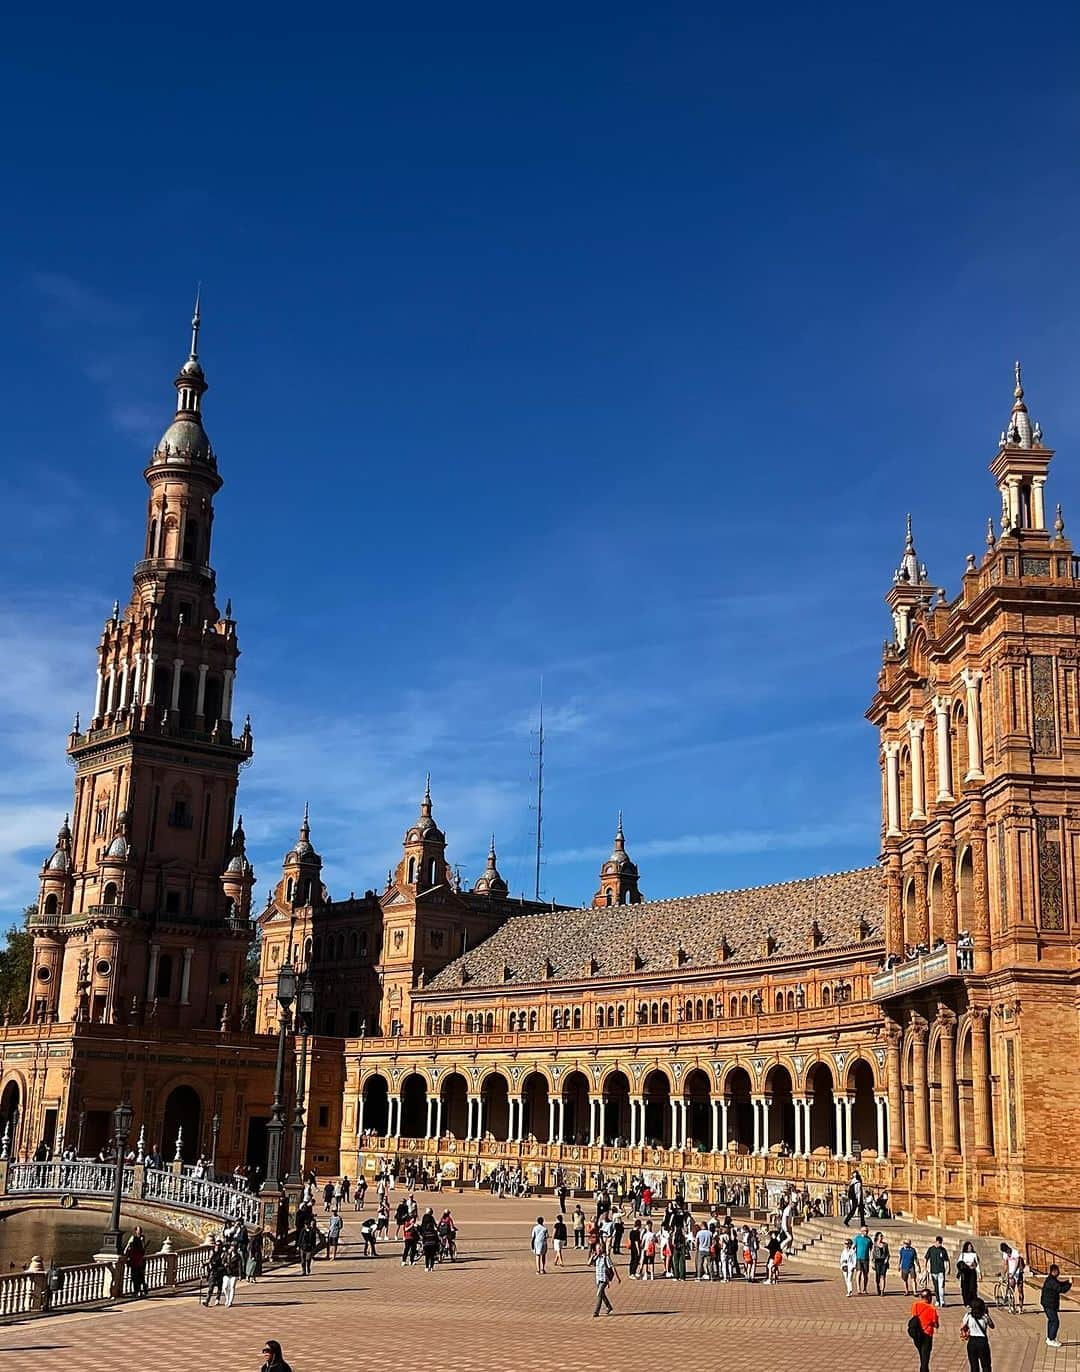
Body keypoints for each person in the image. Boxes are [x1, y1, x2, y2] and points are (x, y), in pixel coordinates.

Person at [1040, 1262, 1071, 1348]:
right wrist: (1069, 1284)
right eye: (1058, 1271)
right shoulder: (1051, 1281)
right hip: (1049, 1304)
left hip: (1049, 1303)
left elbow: (1059, 1284)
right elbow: (1061, 1289)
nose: (1059, 1272)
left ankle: (1050, 1338)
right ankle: (1051, 1339)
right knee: (1055, 1321)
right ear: (1054, 1271)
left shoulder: (1052, 1279)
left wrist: (1067, 1282)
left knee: (1051, 1320)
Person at [909, 1286, 939, 1372]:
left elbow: (915, 1316)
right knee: (925, 1360)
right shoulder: (932, 1309)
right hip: (927, 1335)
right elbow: (936, 1325)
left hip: (917, 1334)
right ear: (929, 1297)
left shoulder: (915, 1305)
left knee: (922, 1357)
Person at [960, 1295, 994, 1371]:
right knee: (986, 1365)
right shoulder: (985, 1316)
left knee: (974, 1366)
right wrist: (987, 1314)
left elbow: (962, 1326)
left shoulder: (968, 1316)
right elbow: (992, 1326)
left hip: (972, 1342)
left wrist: (966, 1329)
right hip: (982, 1342)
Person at [592, 1243, 620, 1316]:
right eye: (596, 1249)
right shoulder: (596, 1257)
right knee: (602, 1294)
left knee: (598, 1294)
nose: (597, 1250)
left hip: (604, 1279)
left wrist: (618, 1278)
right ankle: (609, 1307)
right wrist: (593, 1256)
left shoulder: (606, 1258)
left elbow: (612, 1267)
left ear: (601, 1249)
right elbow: (589, 1263)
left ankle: (596, 1312)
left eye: (598, 1249)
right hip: (598, 1279)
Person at [924, 1236, 950, 1307]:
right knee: (936, 1287)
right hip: (933, 1271)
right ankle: (938, 1300)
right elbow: (926, 1258)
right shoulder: (931, 1249)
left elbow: (947, 1260)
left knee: (941, 1286)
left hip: (941, 1271)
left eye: (941, 1243)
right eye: (939, 1243)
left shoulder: (943, 1250)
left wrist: (948, 1268)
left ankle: (942, 1301)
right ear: (936, 1242)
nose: (940, 1244)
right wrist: (925, 1267)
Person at [124, 1225, 147, 1298]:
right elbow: (128, 1246)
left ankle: (140, 1290)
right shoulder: (133, 1238)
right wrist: (125, 1252)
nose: (140, 1232)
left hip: (139, 1261)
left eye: (140, 1230)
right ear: (135, 1231)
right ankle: (138, 1290)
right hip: (134, 1260)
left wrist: (142, 1241)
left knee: (140, 1276)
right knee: (135, 1277)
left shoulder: (142, 1238)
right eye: (138, 1230)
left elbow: (143, 1250)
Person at [957, 1240, 980, 1307]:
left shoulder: (974, 1254)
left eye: (971, 1247)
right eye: (969, 1247)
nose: (970, 1248)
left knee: (972, 1288)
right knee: (965, 1288)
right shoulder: (963, 1254)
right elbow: (959, 1263)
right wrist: (965, 1266)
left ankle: (973, 1301)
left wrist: (979, 1273)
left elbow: (977, 1264)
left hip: (972, 1272)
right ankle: (966, 1302)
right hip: (965, 1273)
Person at [203, 1242, 225, 1306]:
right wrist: (204, 1264)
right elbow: (209, 1260)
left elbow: (223, 1262)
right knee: (211, 1287)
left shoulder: (223, 1253)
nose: (217, 1246)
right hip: (213, 1271)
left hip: (220, 1271)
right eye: (216, 1245)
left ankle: (217, 1299)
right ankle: (207, 1301)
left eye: (219, 1245)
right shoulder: (212, 1252)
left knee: (219, 1286)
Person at [853, 1225, 873, 1295]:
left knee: (865, 1274)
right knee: (859, 1272)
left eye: (867, 1231)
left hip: (866, 1259)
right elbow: (853, 1247)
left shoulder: (869, 1239)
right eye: (864, 1231)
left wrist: (872, 1258)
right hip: (858, 1258)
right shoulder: (857, 1238)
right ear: (861, 1231)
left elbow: (871, 1249)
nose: (866, 1232)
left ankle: (865, 1288)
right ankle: (858, 1288)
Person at [872, 1231, 890, 1296]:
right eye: (880, 1236)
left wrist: (886, 1260)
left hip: (883, 1261)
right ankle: (878, 1287)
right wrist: (872, 1262)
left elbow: (888, 1253)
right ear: (877, 1237)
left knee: (883, 1276)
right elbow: (872, 1253)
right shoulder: (874, 1244)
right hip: (877, 1261)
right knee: (877, 1277)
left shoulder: (885, 1245)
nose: (881, 1237)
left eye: (882, 1236)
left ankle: (882, 1291)